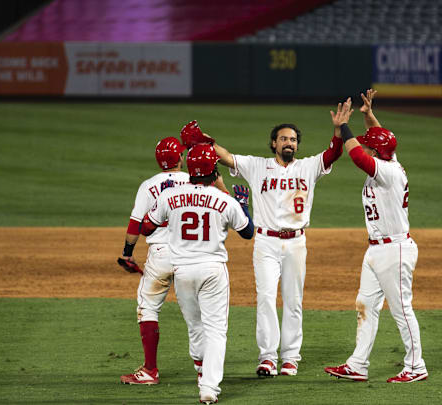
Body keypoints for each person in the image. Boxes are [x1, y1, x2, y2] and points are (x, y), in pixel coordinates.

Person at [207, 107, 345, 377]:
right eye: (284, 139)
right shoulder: (258, 166)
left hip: (296, 243)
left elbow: (333, 153)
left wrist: (338, 130)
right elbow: (225, 157)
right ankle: (268, 358)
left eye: (293, 140)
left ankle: (291, 357)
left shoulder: (308, 166)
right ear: (274, 143)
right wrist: (205, 142)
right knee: (266, 298)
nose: (289, 143)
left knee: (293, 301)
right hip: (266, 243)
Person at [324, 89, 428, 383]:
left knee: (402, 309)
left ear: (377, 153)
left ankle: (416, 366)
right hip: (376, 251)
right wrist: (369, 116)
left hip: (394, 250)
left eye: (371, 145)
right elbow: (380, 138)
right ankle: (358, 364)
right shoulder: (388, 159)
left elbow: (357, 155)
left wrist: (343, 127)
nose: (366, 146)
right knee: (366, 304)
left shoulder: (386, 171)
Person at [141, 144, 254, 404]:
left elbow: (147, 228)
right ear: (214, 170)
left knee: (195, 327)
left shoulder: (170, 197)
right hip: (213, 271)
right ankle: (208, 388)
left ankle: (201, 370)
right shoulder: (224, 200)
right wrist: (242, 203)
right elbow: (248, 232)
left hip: (182, 271)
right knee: (215, 330)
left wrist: (165, 213)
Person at [118, 136, 189, 385]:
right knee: (197, 313)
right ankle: (206, 370)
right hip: (192, 255)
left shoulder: (148, 186)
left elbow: (135, 224)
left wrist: (127, 253)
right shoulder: (195, 183)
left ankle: (150, 371)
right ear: (180, 158)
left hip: (160, 255)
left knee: (148, 309)